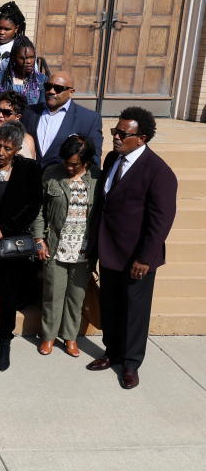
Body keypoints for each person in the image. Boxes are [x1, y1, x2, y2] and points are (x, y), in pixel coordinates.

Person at [88, 107, 177, 389]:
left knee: (134, 312)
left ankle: (130, 364)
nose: (116, 137)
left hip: (136, 257)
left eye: (123, 134)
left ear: (142, 138)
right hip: (109, 249)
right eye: (115, 131)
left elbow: (160, 221)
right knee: (111, 307)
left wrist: (145, 258)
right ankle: (112, 352)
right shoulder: (113, 158)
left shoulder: (159, 172)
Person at [0, 121, 42, 371]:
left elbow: (33, 206)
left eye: (7, 148)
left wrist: (6, 229)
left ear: (18, 149)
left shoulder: (29, 169)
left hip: (12, 243)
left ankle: (4, 342)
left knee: (10, 295)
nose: (0, 152)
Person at [31, 134, 101, 358]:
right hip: (55, 245)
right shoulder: (52, 174)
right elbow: (39, 209)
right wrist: (39, 239)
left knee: (76, 296)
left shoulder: (97, 179)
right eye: (66, 162)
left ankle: (70, 337)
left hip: (84, 249)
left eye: (75, 164)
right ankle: (48, 336)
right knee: (53, 293)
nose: (69, 167)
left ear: (86, 161)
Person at [21, 70, 102, 167]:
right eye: (48, 86)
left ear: (71, 92)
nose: (51, 91)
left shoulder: (88, 119)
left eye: (58, 88)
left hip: (62, 179)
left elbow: (94, 159)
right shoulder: (29, 112)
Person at [0, 36, 48, 107]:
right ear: (13, 58)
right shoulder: (0, 78)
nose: (29, 61)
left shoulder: (41, 79)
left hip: (31, 117)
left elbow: (42, 107)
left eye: (32, 57)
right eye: (23, 58)